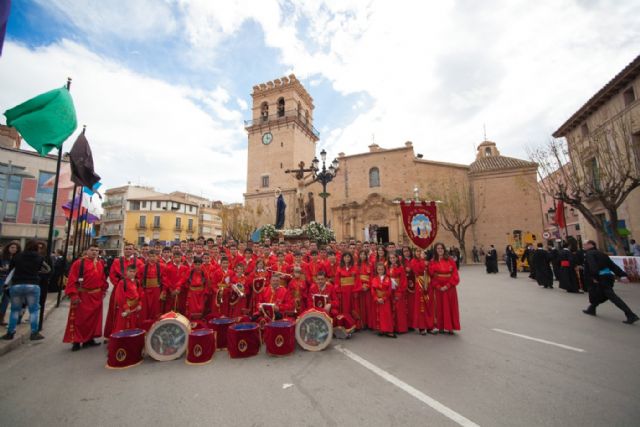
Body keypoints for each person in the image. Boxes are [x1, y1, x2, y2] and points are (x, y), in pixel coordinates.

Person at [62, 245, 107, 350]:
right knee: (80, 320)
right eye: (92, 250)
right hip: (83, 295)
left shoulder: (100, 263)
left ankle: (89, 339)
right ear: (87, 251)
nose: (95, 252)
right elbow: (72, 280)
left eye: (97, 250)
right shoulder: (79, 263)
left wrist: (103, 291)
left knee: (94, 320)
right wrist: (74, 295)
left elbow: (103, 279)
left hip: (96, 295)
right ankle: (77, 341)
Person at [582, 240, 639, 324]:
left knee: (612, 297)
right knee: (600, 295)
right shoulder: (602, 254)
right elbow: (612, 265)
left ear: (590, 245)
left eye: (585, 244)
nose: (583, 246)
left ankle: (630, 314)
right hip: (607, 277)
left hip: (600, 279)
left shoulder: (589, 254)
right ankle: (591, 309)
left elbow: (593, 267)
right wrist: (622, 275)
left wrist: (595, 277)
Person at [2, 240, 48, 341]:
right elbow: (47, 269)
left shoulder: (17, 256)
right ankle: (34, 333)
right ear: (37, 248)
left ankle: (10, 332)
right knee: (34, 310)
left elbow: (11, 270)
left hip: (17, 285)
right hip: (33, 285)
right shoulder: (39, 257)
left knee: (14, 310)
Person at [428, 242, 460, 334]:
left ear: (444, 249)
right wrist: (438, 286)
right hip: (438, 289)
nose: (440, 250)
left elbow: (455, 275)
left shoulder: (450, 260)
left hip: (450, 288)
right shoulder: (433, 261)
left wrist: (448, 285)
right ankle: (440, 326)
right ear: (435, 250)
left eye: (441, 248)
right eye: (438, 248)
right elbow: (431, 276)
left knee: (450, 307)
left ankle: (450, 327)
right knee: (439, 307)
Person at [113, 264, 142, 333]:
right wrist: (126, 307)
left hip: (134, 308)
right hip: (126, 308)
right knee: (123, 326)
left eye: (134, 272)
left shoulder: (137, 282)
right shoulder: (122, 282)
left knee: (134, 325)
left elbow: (140, 294)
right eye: (130, 271)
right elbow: (120, 297)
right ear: (126, 272)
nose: (132, 273)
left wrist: (140, 304)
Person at [370, 262, 395, 338]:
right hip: (377, 300)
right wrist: (376, 298)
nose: (380, 270)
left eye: (382, 269)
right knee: (379, 315)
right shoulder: (374, 279)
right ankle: (381, 330)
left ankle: (389, 330)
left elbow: (389, 290)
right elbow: (372, 290)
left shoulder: (388, 279)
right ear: (376, 270)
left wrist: (383, 298)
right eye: (379, 269)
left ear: (384, 270)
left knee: (387, 315)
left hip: (385, 300)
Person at [0, 241, 21, 326]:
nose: (13, 249)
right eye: (12, 247)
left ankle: (1, 318)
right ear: (8, 248)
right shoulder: (2, 257)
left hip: (11, 281)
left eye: (15, 248)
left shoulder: (18, 258)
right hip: (1, 278)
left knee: (6, 300)